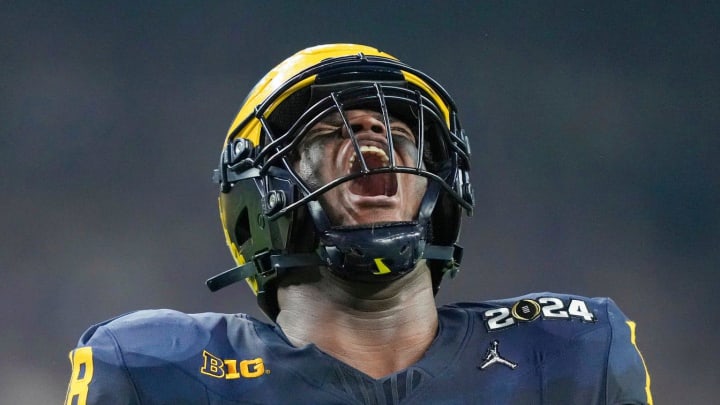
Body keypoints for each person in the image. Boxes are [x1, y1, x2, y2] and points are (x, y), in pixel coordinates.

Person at [65, 44, 653, 404]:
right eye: (329, 134)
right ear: (260, 197)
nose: (371, 137)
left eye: (399, 135)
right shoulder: (156, 370)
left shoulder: (569, 354)